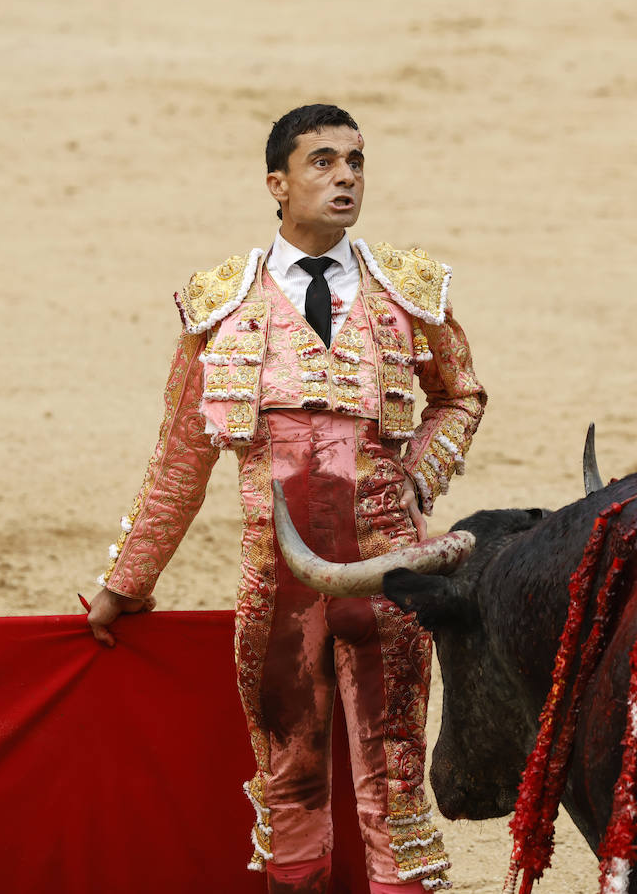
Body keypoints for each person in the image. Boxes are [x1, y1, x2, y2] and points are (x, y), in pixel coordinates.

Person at [86, 104, 485, 894]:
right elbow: (178, 463)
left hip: (390, 582)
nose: (345, 178)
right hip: (277, 594)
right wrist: (125, 584)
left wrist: (415, 479)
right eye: (324, 163)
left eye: (356, 164)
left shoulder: (407, 293)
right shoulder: (222, 307)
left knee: (396, 797)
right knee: (291, 791)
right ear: (278, 182)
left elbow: (460, 395)